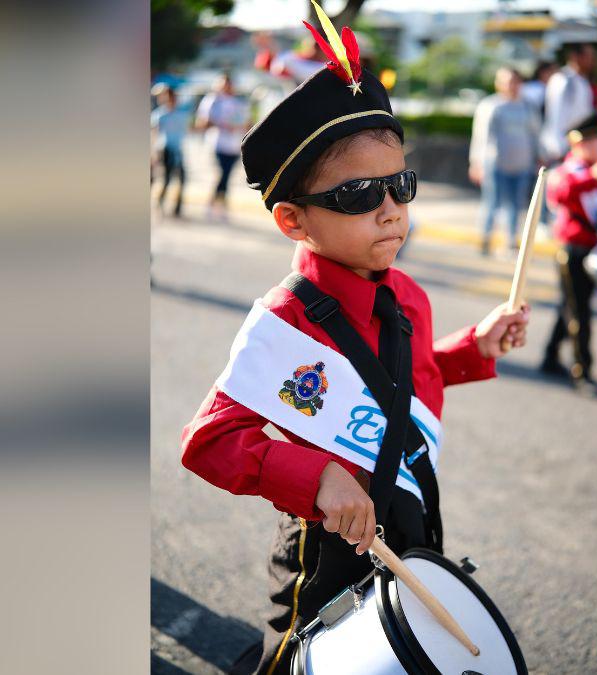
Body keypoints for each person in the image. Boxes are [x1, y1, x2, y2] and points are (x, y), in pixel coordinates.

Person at [179, 14, 530, 675]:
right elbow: (207, 442)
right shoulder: (285, 319)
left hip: (412, 520)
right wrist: (317, 475)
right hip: (324, 548)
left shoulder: (408, 295)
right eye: (360, 194)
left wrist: (473, 348)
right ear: (293, 219)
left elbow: (408, 377)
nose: (392, 208)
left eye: (401, 185)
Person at [540, 114, 597, 392]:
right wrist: (591, 177)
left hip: (592, 246)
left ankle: (551, 355)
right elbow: (559, 193)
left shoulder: (593, 167)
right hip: (573, 248)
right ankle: (582, 370)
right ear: (581, 143)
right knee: (579, 312)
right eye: (594, 141)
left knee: (571, 305)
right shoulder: (568, 170)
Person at [469, 66, 539, 256]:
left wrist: (538, 156)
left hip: (522, 163)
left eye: (515, 81)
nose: (511, 86)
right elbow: (480, 137)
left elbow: (534, 134)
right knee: (491, 202)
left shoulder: (528, 106)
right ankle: (486, 238)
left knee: (516, 204)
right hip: (495, 164)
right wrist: (476, 162)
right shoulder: (490, 106)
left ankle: (510, 241)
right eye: (507, 81)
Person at [195, 73, 250, 222]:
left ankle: (216, 202)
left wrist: (240, 127)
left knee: (227, 174)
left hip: (234, 145)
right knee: (222, 173)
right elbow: (202, 122)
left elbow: (247, 122)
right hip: (217, 143)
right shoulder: (212, 101)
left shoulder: (239, 102)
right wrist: (221, 124)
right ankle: (218, 203)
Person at [540, 43, 596, 163]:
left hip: (577, 147)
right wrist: (559, 149)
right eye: (589, 56)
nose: (593, 61)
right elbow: (556, 117)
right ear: (575, 57)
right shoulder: (563, 80)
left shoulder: (582, 81)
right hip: (563, 150)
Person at [150, 84, 189, 218]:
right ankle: (160, 203)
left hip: (178, 149)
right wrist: (153, 153)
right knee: (166, 179)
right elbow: (154, 134)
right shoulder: (160, 114)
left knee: (182, 179)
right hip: (165, 149)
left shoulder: (181, 114)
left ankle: (178, 208)